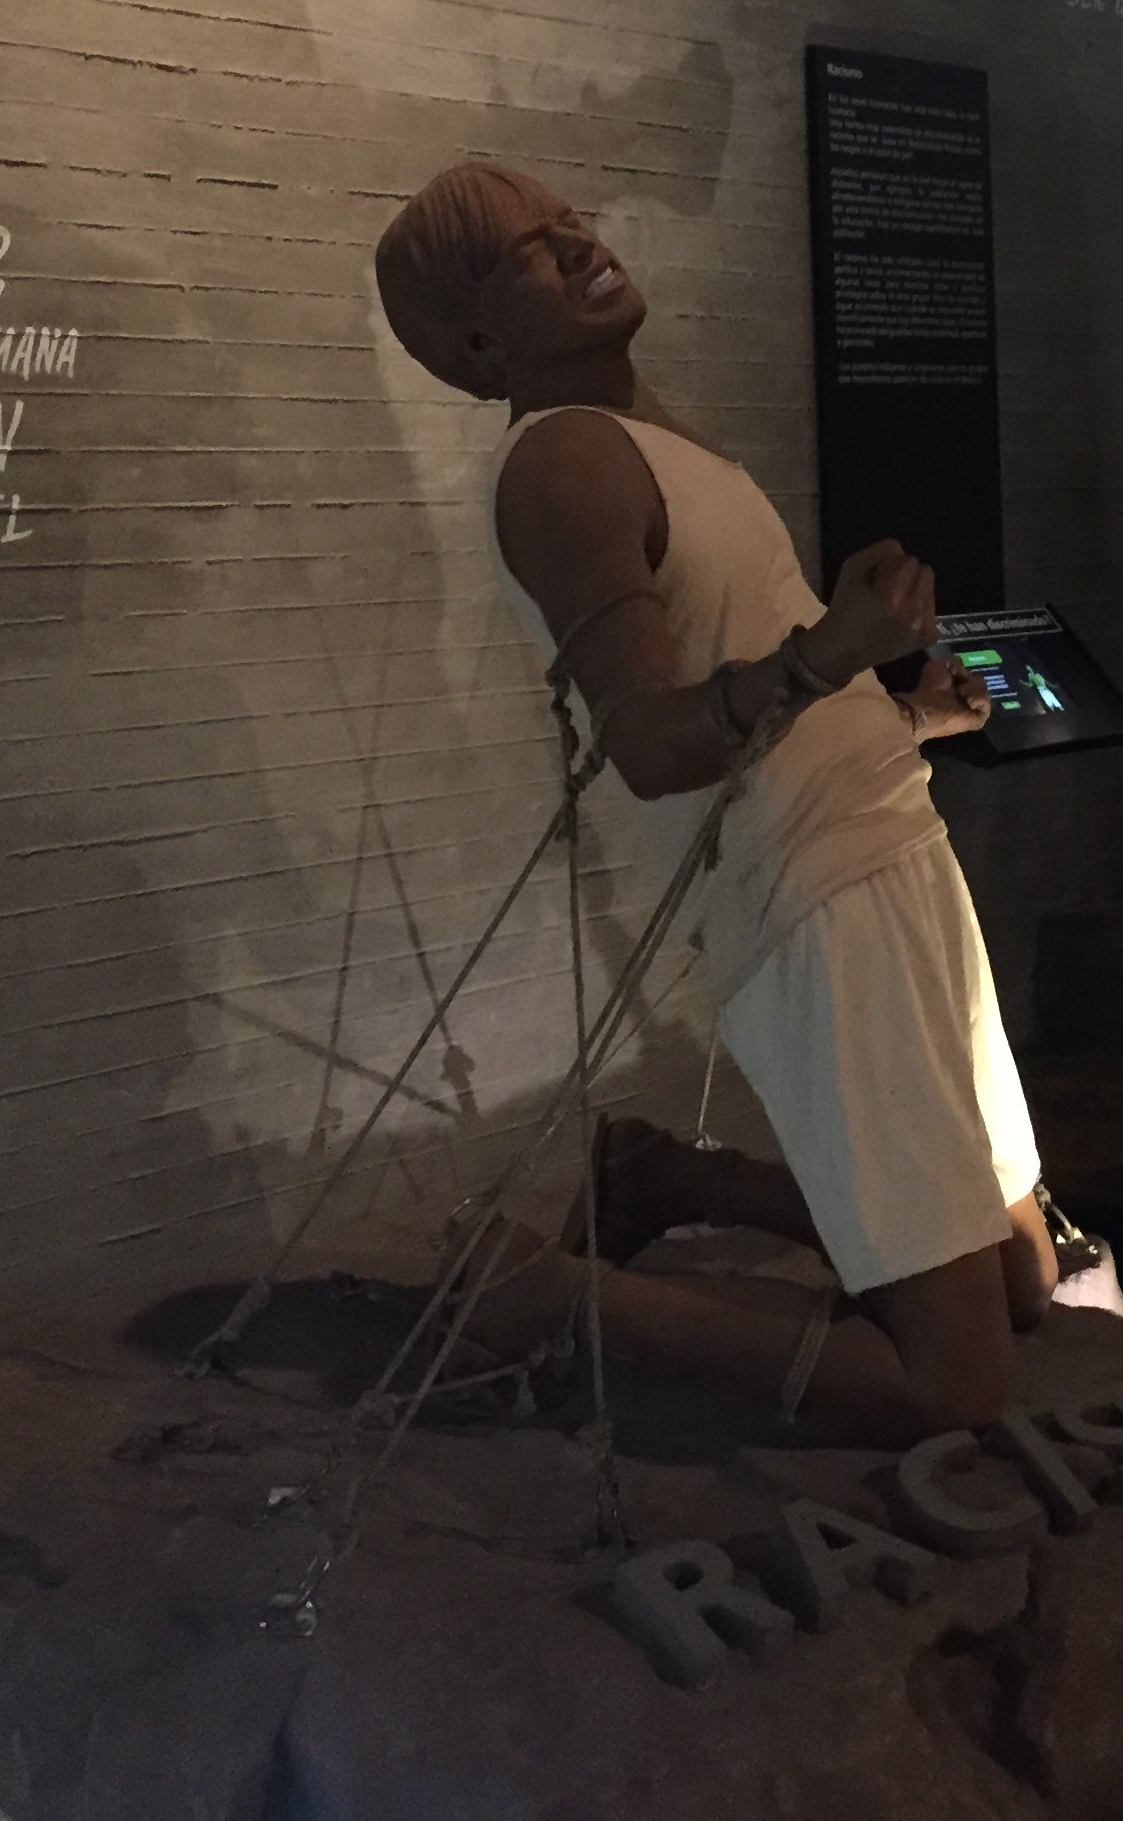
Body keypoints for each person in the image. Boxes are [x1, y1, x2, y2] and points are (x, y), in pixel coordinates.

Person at [373, 159, 1060, 1446]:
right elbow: (647, 741)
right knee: (957, 1385)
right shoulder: (564, 467)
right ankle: (548, 1297)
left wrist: (909, 712)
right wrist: (830, 653)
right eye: (532, 251)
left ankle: (667, 1180)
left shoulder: (643, 434)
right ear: (477, 343)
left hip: (890, 845)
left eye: (569, 220)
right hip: (817, 895)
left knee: (1026, 1277)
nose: (580, 244)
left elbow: (752, 674)